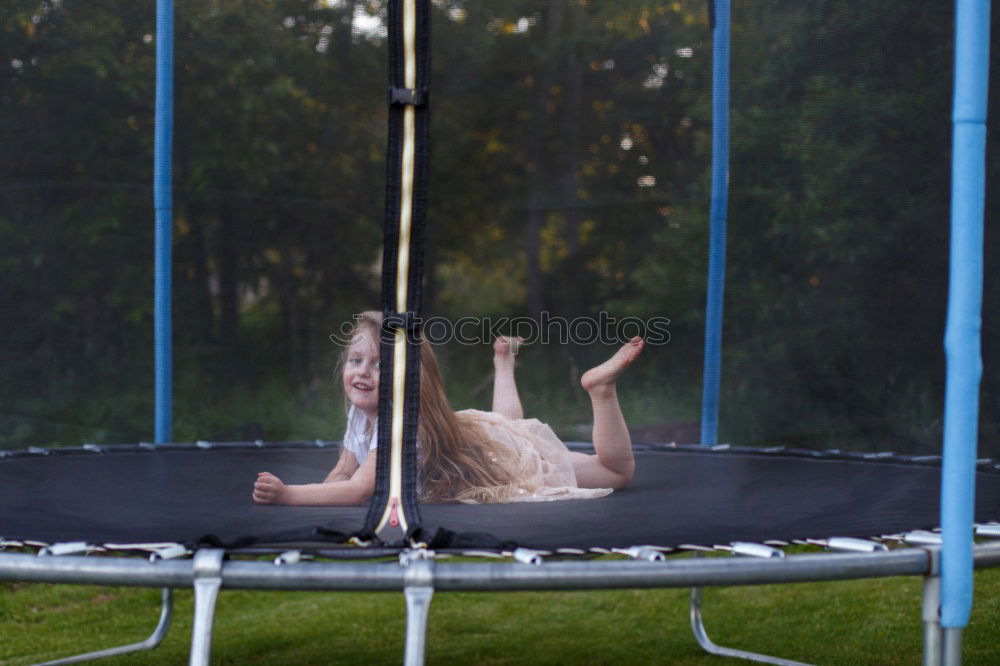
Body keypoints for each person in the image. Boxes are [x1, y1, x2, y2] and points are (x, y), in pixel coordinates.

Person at [252, 311, 644, 506]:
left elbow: (359, 490)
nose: (363, 374)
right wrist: (324, 489)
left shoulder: (398, 425)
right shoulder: (363, 410)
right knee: (511, 425)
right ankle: (503, 362)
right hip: (481, 439)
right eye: (356, 362)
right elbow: (345, 469)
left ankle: (601, 391)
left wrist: (291, 495)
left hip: (501, 463)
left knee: (616, 473)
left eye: (378, 365)